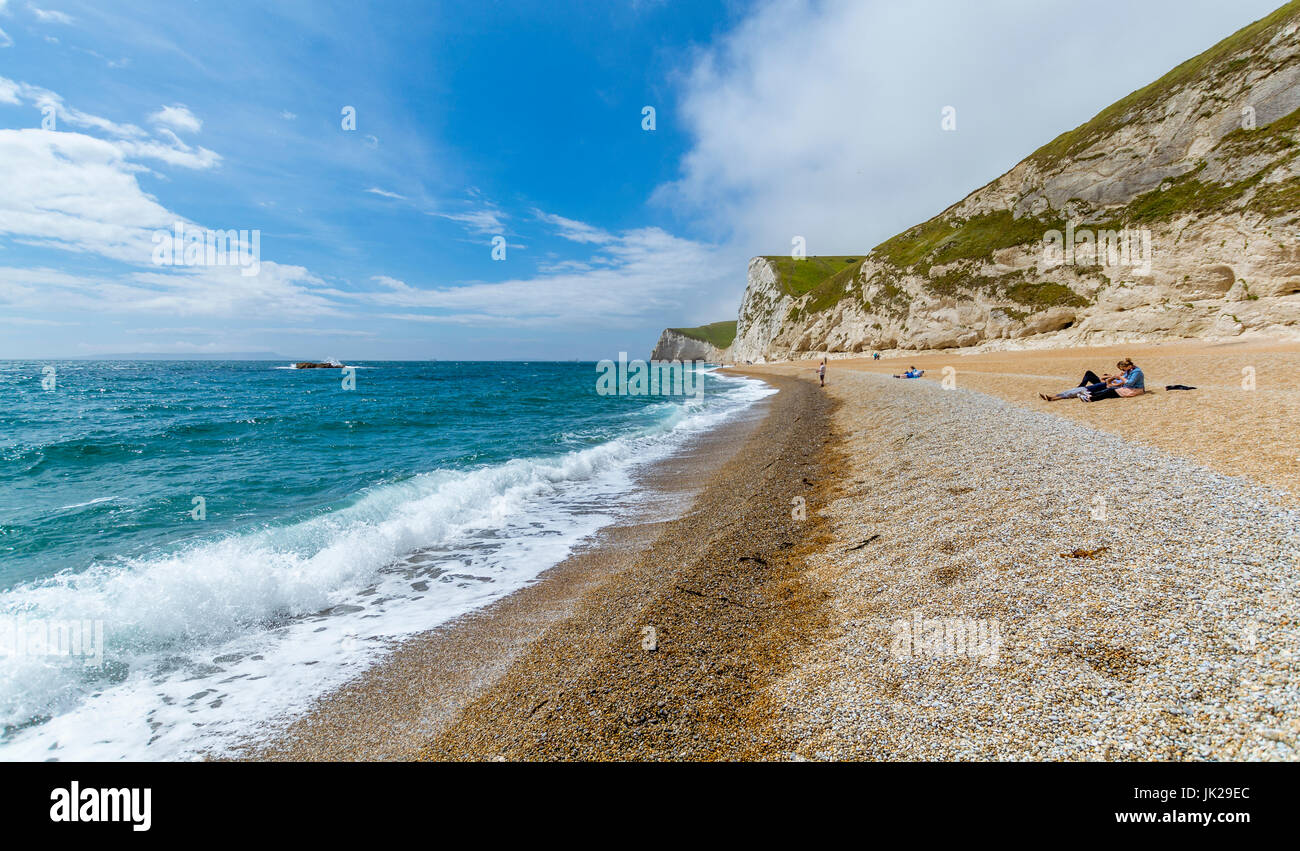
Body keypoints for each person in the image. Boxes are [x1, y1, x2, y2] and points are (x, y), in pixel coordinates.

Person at [1038, 359, 1144, 402]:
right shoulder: (1129, 371)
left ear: (1129, 366)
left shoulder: (1136, 372)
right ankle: (1054, 396)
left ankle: (1054, 398)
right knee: (1082, 389)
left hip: (1113, 386)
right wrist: (1113, 378)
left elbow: (1128, 383)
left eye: (1123, 369)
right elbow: (1123, 380)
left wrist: (1118, 378)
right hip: (1110, 385)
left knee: (1083, 390)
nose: (1122, 371)